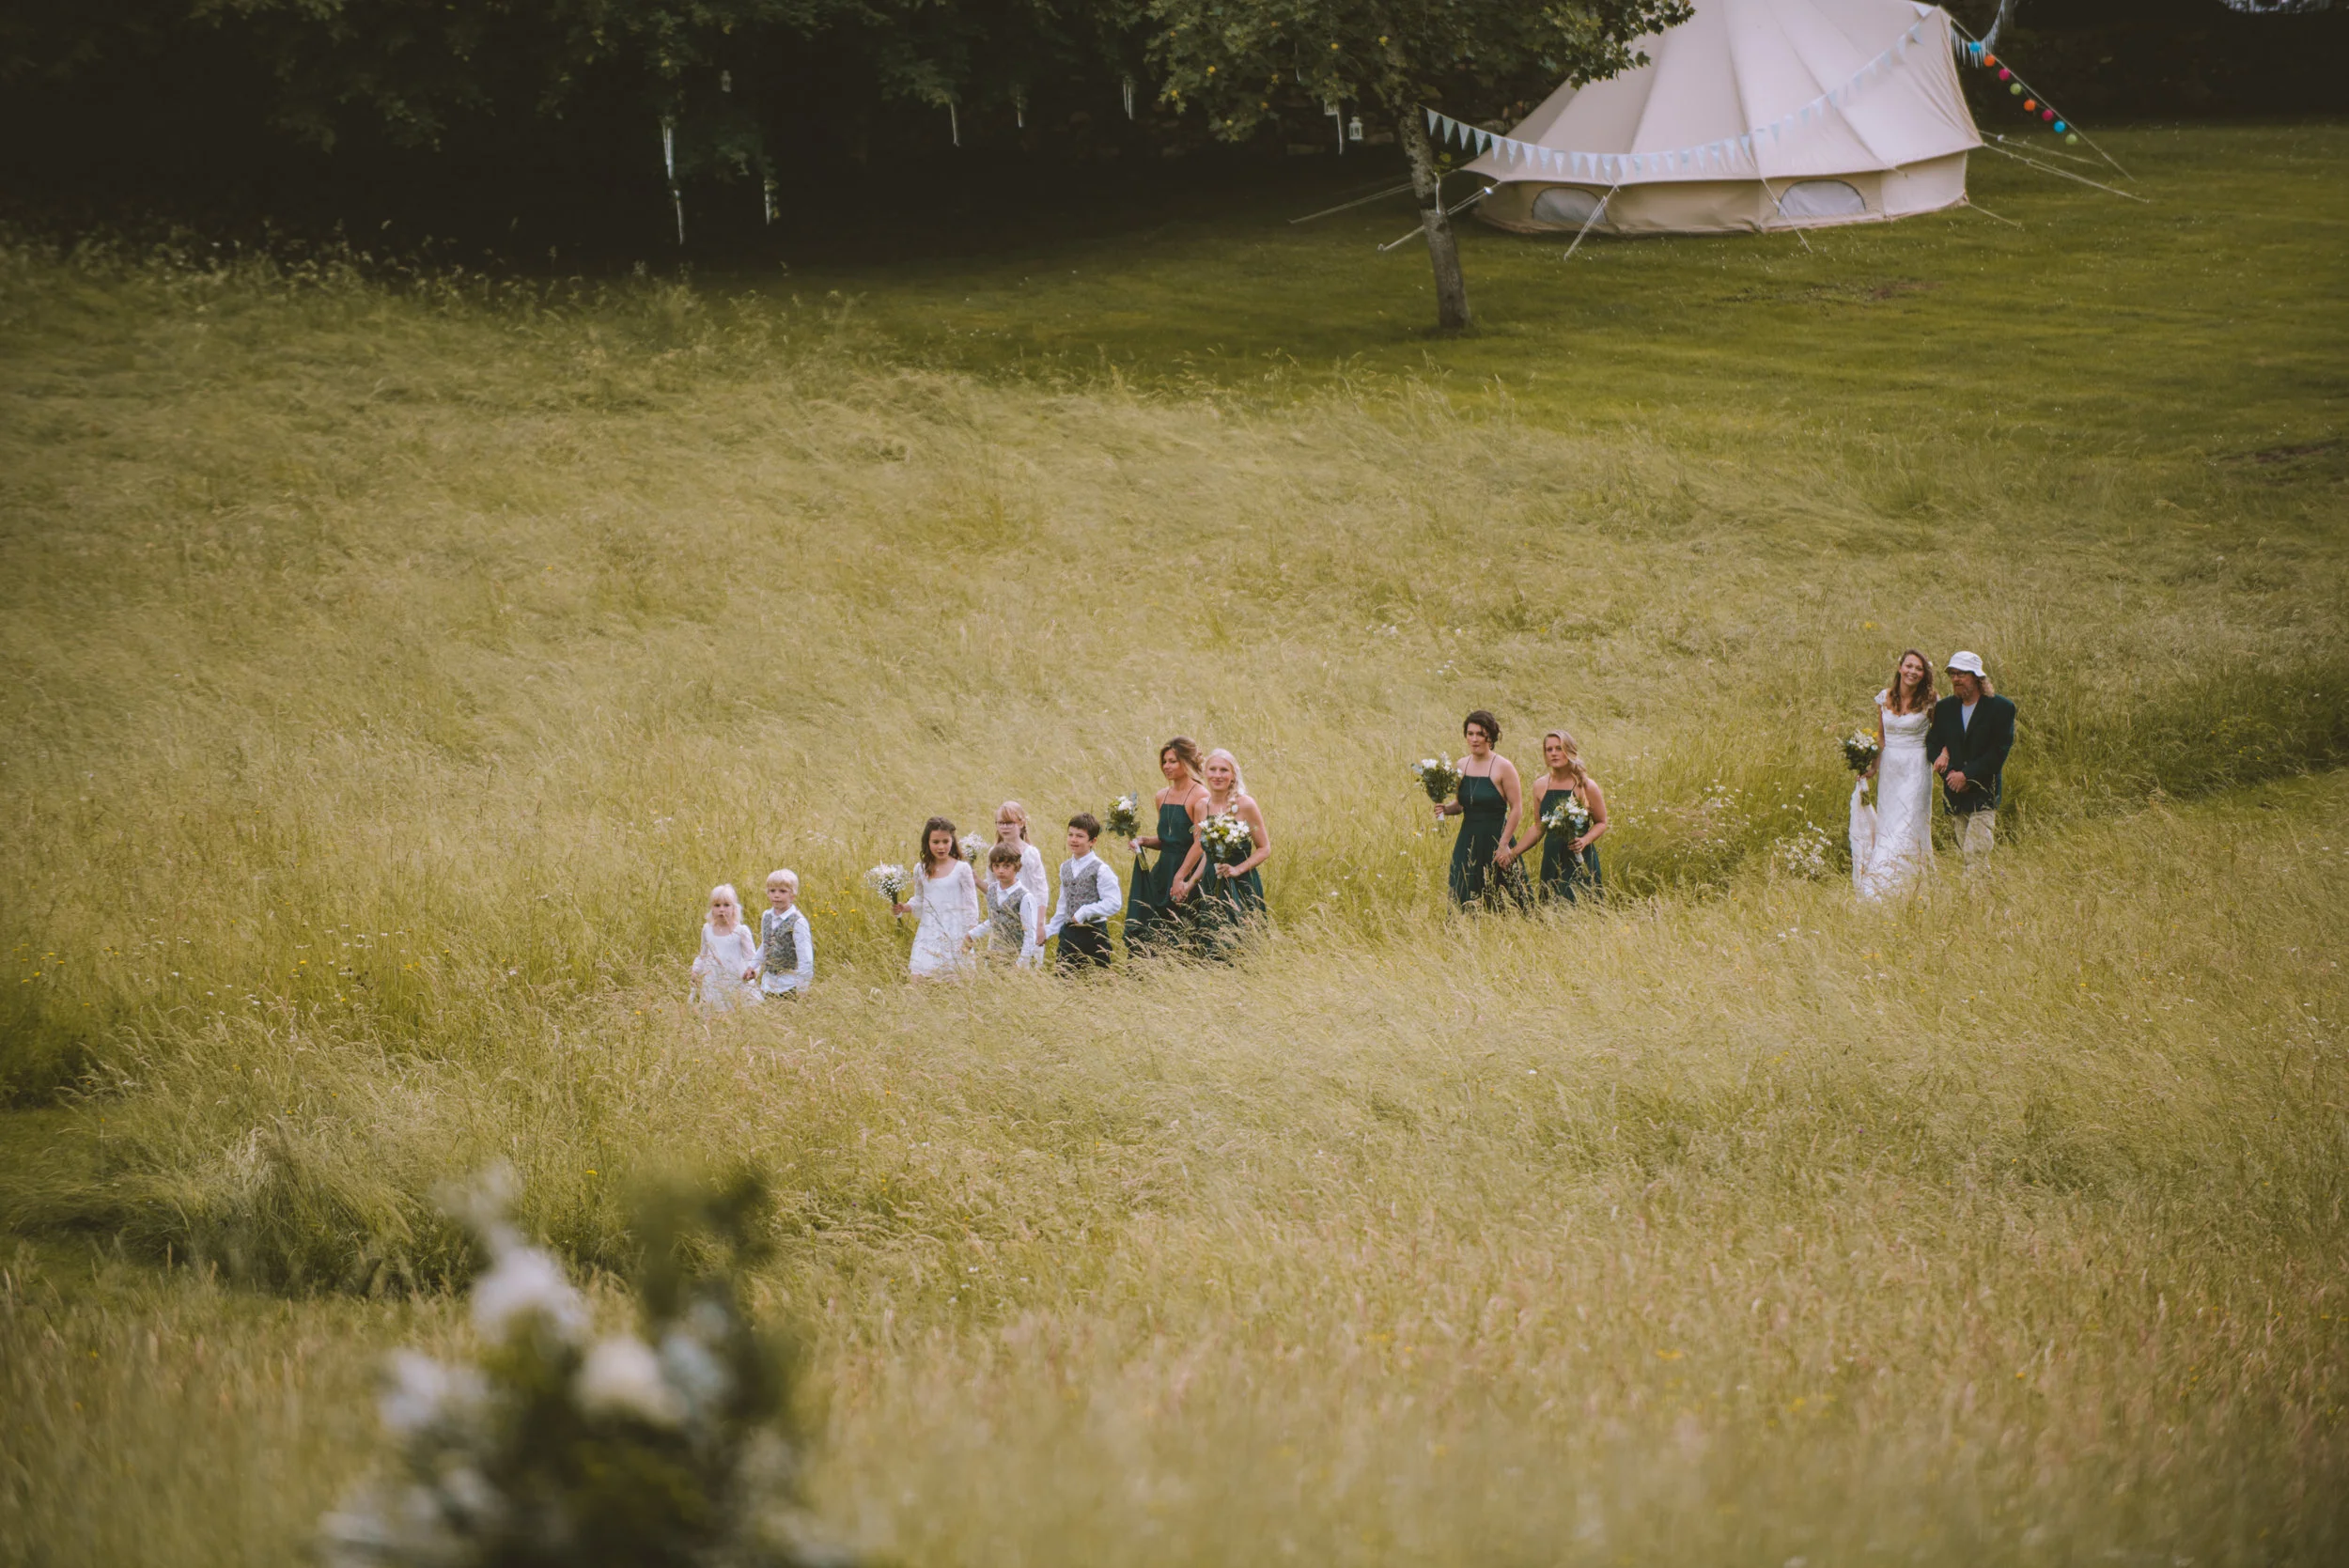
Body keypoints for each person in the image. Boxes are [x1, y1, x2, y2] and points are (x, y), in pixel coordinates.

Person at [1851, 650, 1937, 899]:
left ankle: (1905, 883)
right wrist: (1873, 767)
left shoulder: (1930, 700)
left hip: (1916, 765)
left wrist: (1943, 756)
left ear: (1924, 674)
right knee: (1890, 823)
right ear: (1900, 668)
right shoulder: (1885, 698)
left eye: (1919, 668)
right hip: (1891, 768)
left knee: (1909, 822)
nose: (1913, 672)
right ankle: (1883, 880)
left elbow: (1941, 733)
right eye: (1909, 666)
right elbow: (1882, 737)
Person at [1170, 747, 1270, 956]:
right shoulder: (1201, 806)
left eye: (1224, 770)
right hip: (1210, 884)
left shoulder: (1245, 804)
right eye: (1212, 769)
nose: (1217, 775)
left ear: (1233, 775)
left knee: (1242, 945)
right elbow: (1206, 853)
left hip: (1241, 884)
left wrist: (1237, 869)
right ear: (1205, 773)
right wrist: (1190, 883)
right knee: (1213, 944)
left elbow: (1264, 848)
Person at [1924, 651, 2017, 869]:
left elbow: (1999, 751)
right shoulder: (1945, 709)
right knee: (1969, 854)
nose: (1956, 679)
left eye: (1962, 674)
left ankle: (1970, 899)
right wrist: (1948, 773)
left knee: (1975, 851)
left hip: (1983, 790)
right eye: (1952, 674)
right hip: (1955, 793)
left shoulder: (2001, 708)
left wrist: (1967, 775)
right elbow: (1932, 743)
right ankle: (1990, 894)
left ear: (1977, 677)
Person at [1497, 729, 1608, 903]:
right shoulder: (1540, 785)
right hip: (1552, 857)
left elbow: (1601, 822)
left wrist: (1585, 840)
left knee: (1581, 909)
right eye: (1549, 749)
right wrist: (1513, 854)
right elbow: (1539, 826)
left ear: (1569, 751)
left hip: (1579, 856)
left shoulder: (1585, 785)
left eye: (1559, 748)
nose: (1554, 753)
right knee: (1551, 911)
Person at [1125, 736, 1208, 958]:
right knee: (1153, 929)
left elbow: (1199, 844)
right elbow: (1167, 840)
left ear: (1186, 762)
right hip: (1163, 872)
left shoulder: (1200, 796)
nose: (1167, 766)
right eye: (1164, 761)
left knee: (1184, 931)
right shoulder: (1161, 796)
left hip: (1189, 871)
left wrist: (1180, 878)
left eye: (1173, 761)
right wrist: (1143, 841)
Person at [1436, 709, 1522, 908]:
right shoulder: (1461, 765)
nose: (1474, 739)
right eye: (1470, 733)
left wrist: (1504, 844)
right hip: (1467, 838)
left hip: (1496, 838)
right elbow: (1461, 805)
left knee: (1506, 895)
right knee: (1461, 890)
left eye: (1480, 734)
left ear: (1490, 737)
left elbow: (1517, 808)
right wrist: (1445, 810)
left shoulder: (1504, 766)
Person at [895, 816, 980, 979]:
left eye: (945, 841)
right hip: (929, 931)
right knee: (919, 979)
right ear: (927, 843)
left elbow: (972, 906)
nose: (941, 847)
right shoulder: (920, 869)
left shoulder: (962, 869)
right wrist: (905, 907)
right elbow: (920, 899)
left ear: (952, 841)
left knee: (955, 980)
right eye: (935, 842)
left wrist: (970, 935)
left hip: (956, 931)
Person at [1048, 814, 1122, 972]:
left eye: (1080, 836)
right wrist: (1050, 930)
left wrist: (1085, 912)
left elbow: (1114, 902)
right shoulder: (1065, 867)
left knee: (1099, 983)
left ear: (1092, 841)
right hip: (1068, 934)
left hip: (1094, 934)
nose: (1073, 840)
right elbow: (1064, 902)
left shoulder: (1101, 869)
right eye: (1070, 835)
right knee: (1063, 981)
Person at [992, 800, 1051, 968]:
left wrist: (1040, 925)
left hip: (1028, 919)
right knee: (1001, 966)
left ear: (1021, 823)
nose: (1005, 827)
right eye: (1000, 823)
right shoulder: (994, 852)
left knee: (1026, 966)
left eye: (1009, 822)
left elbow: (1041, 890)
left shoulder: (1029, 853)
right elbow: (992, 889)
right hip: (1003, 922)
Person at [690, 884, 760, 1010]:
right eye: (717, 905)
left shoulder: (741, 931)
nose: (722, 909)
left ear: (734, 908)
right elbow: (703, 954)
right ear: (712, 908)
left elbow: (752, 958)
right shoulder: (707, 930)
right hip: (713, 981)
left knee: (736, 1012)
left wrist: (753, 971)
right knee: (714, 1013)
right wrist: (696, 971)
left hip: (736, 980)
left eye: (726, 905)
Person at [983, 842, 1046, 967]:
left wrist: (1021, 962)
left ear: (1016, 867)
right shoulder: (992, 890)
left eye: (1006, 866)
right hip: (995, 953)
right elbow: (993, 920)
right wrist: (972, 934)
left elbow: (1029, 934)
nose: (1001, 871)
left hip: (1016, 954)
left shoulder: (1025, 897)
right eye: (996, 866)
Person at [754, 869, 815, 997]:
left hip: (789, 985)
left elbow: (806, 959)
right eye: (772, 891)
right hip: (768, 984)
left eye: (782, 891)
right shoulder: (767, 916)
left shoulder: (798, 922)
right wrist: (752, 966)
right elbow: (766, 944)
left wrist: (802, 988)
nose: (776, 895)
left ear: (792, 895)